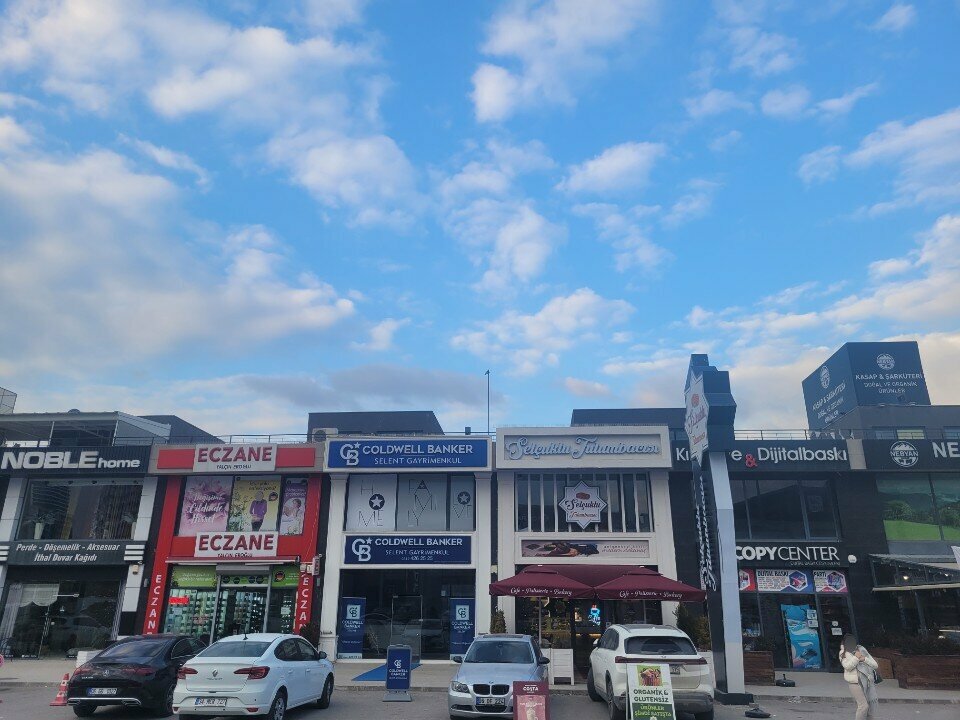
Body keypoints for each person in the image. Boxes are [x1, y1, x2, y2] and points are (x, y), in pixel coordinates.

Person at [839, 634, 878, 720]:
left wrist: (864, 659)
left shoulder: (862, 650)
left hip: (867, 682)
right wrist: (856, 658)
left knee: (870, 709)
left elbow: (875, 665)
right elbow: (848, 667)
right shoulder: (843, 653)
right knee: (863, 706)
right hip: (855, 684)